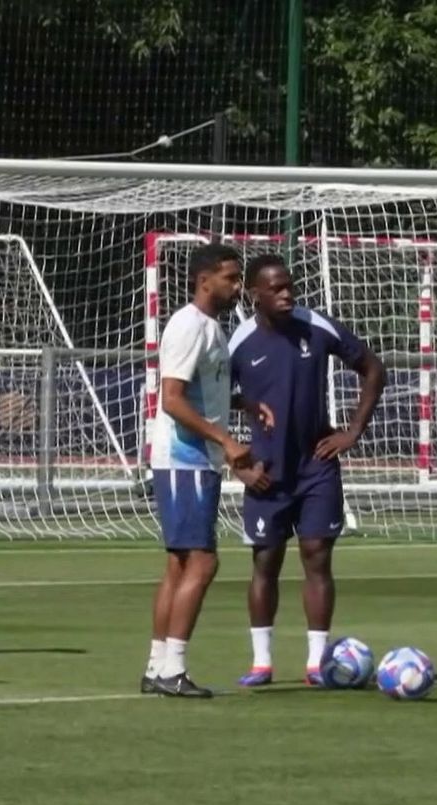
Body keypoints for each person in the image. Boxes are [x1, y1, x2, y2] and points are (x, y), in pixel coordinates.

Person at [228, 254, 386, 687]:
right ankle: (262, 662)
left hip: (317, 467)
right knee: (266, 562)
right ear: (253, 294)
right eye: (275, 288)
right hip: (266, 471)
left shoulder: (316, 326)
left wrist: (352, 431)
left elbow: (374, 368)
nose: (286, 294)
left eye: (289, 286)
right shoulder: (238, 343)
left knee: (318, 558)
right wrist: (238, 464)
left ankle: (318, 663)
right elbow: (209, 402)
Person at [142, 243, 257, 698]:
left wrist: (242, 405)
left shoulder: (209, 328)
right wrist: (226, 441)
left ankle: (158, 666)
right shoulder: (190, 326)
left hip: (190, 461)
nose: (237, 287)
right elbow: (171, 399)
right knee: (203, 563)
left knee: (179, 565)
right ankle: (173, 669)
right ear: (204, 279)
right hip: (184, 459)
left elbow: (198, 397)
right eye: (230, 278)